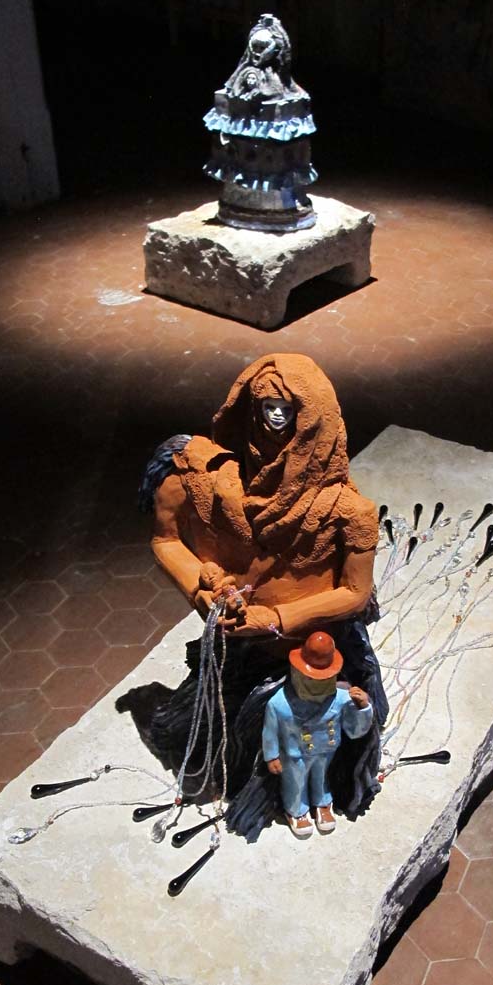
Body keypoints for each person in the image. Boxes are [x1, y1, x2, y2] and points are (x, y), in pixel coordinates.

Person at [117, 353, 387, 839]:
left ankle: (311, 793)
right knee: (221, 729)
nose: (276, 418)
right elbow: (165, 540)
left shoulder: (350, 512)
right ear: (248, 407)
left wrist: (276, 619)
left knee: (327, 733)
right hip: (238, 644)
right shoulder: (207, 479)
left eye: (289, 409)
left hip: (312, 649)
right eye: (266, 406)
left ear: (315, 419)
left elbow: (354, 591)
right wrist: (202, 590)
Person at [263, 632, 373, 838]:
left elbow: (354, 731)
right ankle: (296, 810)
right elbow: (270, 730)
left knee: (321, 777)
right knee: (295, 782)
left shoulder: (341, 698)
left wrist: (363, 707)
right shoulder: (279, 703)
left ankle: (322, 803)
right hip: (295, 754)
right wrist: (272, 755)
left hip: (326, 749)